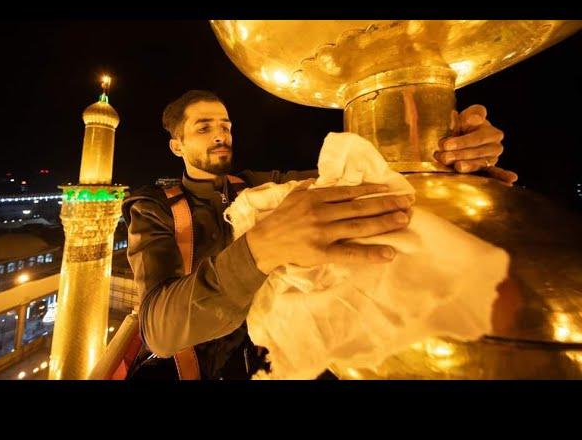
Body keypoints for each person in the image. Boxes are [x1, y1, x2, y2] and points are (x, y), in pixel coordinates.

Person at [122, 89, 517, 379]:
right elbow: (159, 329)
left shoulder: (258, 188)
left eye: (225, 125)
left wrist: (445, 162)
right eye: (203, 127)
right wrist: (259, 251)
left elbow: (359, 179)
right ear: (177, 146)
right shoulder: (154, 207)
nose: (220, 134)